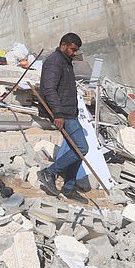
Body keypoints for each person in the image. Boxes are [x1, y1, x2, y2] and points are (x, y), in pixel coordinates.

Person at [36, 32, 90, 203]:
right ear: (64, 45)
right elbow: (49, 89)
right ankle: (49, 173)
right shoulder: (54, 62)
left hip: (69, 112)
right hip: (64, 114)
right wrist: (58, 114)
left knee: (78, 150)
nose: (75, 53)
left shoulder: (66, 62)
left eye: (76, 51)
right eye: (73, 50)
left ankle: (69, 188)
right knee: (82, 148)